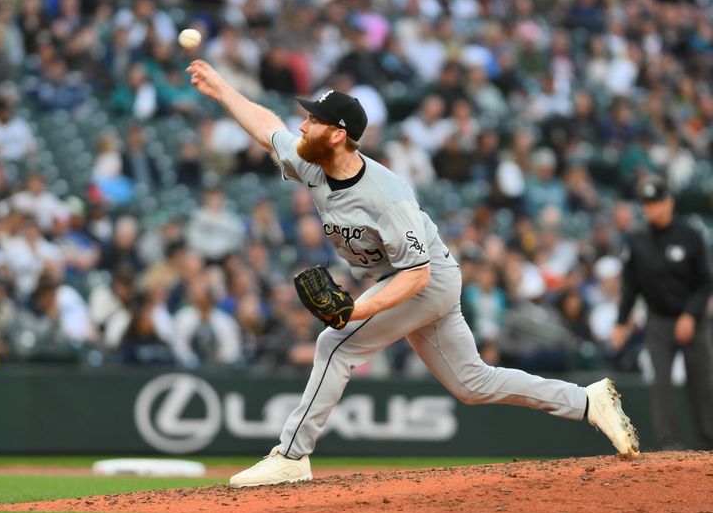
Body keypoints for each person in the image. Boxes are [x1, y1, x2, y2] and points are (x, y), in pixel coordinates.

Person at [185, 59, 639, 488]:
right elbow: (271, 132)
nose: (303, 125)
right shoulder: (311, 159)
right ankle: (587, 401)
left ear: (339, 135)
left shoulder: (386, 195)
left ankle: (290, 458)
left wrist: (355, 310)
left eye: (314, 120)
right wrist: (223, 90)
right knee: (472, 383)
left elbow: (417, 276)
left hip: (428, 279)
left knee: (335, 344)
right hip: (405, 279)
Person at [612, 177, 713, 450]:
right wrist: (621, 322)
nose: (650, 208)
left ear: (669, 202)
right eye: (646, 203)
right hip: (658, 321)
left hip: (693, 321)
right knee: (661, 385)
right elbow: (630, 286)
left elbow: (706, 281)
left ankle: (709, 444)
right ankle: (670, 448)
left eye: (655, 202)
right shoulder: (637, 240)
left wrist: (691, 314)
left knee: (701, 384)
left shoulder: (690, 234)